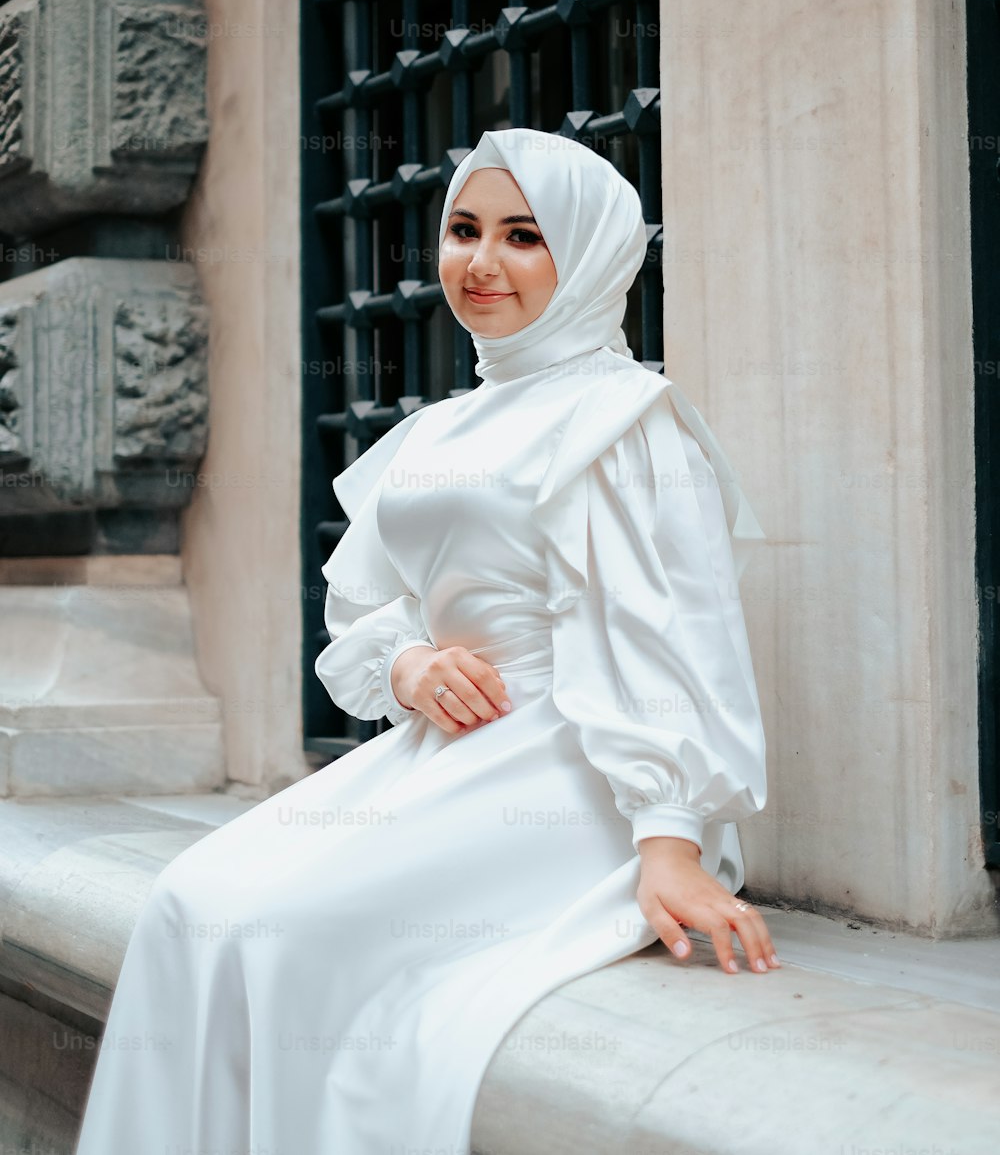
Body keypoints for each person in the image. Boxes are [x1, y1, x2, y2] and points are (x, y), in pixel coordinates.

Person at [73, 127, 777, 1155]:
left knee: (279, 936)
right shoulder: (438, 430)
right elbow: (363, 612)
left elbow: (668, 632)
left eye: (523, 237)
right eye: (462, 230)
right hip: (440, 756)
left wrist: (667, 839)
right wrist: (408, 665)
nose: (479, 263)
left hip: (573, 770)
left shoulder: (625, 419)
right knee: (188, 900)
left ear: (587, 256)